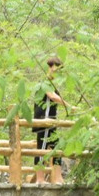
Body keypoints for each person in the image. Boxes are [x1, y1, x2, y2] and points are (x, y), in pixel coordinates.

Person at [34, 55, 68, 184]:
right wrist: (69, 106)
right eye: (56, 68)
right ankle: (40, 179)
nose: (57, 72)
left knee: (56, 148)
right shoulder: (45, 83)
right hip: (44, 120)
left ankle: (59, 178)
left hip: (52, 121)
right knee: (42, 149)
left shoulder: (52, 84)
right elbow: (53, 97)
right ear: (50, 67)